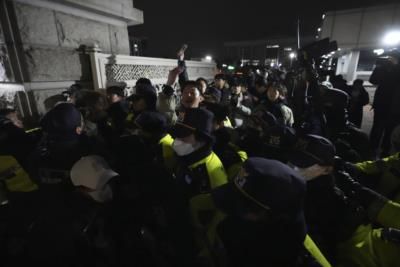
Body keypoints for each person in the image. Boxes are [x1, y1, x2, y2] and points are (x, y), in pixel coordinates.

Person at [212, 158, 329, 267]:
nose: (233, 212)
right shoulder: (244, 228)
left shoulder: (295, 255)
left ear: (274, 216)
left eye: (243, 208)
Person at [171, 108, 228, 263]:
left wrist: (204, 254)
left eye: (183, 137)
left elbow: (217, 219)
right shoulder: (187, 158)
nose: (177, 141)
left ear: (202, 139)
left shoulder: (212, 172)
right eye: (177, 135)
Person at [369, 50, 400, 157]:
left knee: (390, 131)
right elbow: (373, 80)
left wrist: (394, 68)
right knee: (377, 128)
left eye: (393, 58)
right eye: (389, 58)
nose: (390, 60)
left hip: (395, 107)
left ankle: (385, 150)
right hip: (382, 105)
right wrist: (383, 69)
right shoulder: (382, 68)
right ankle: (372, 149)